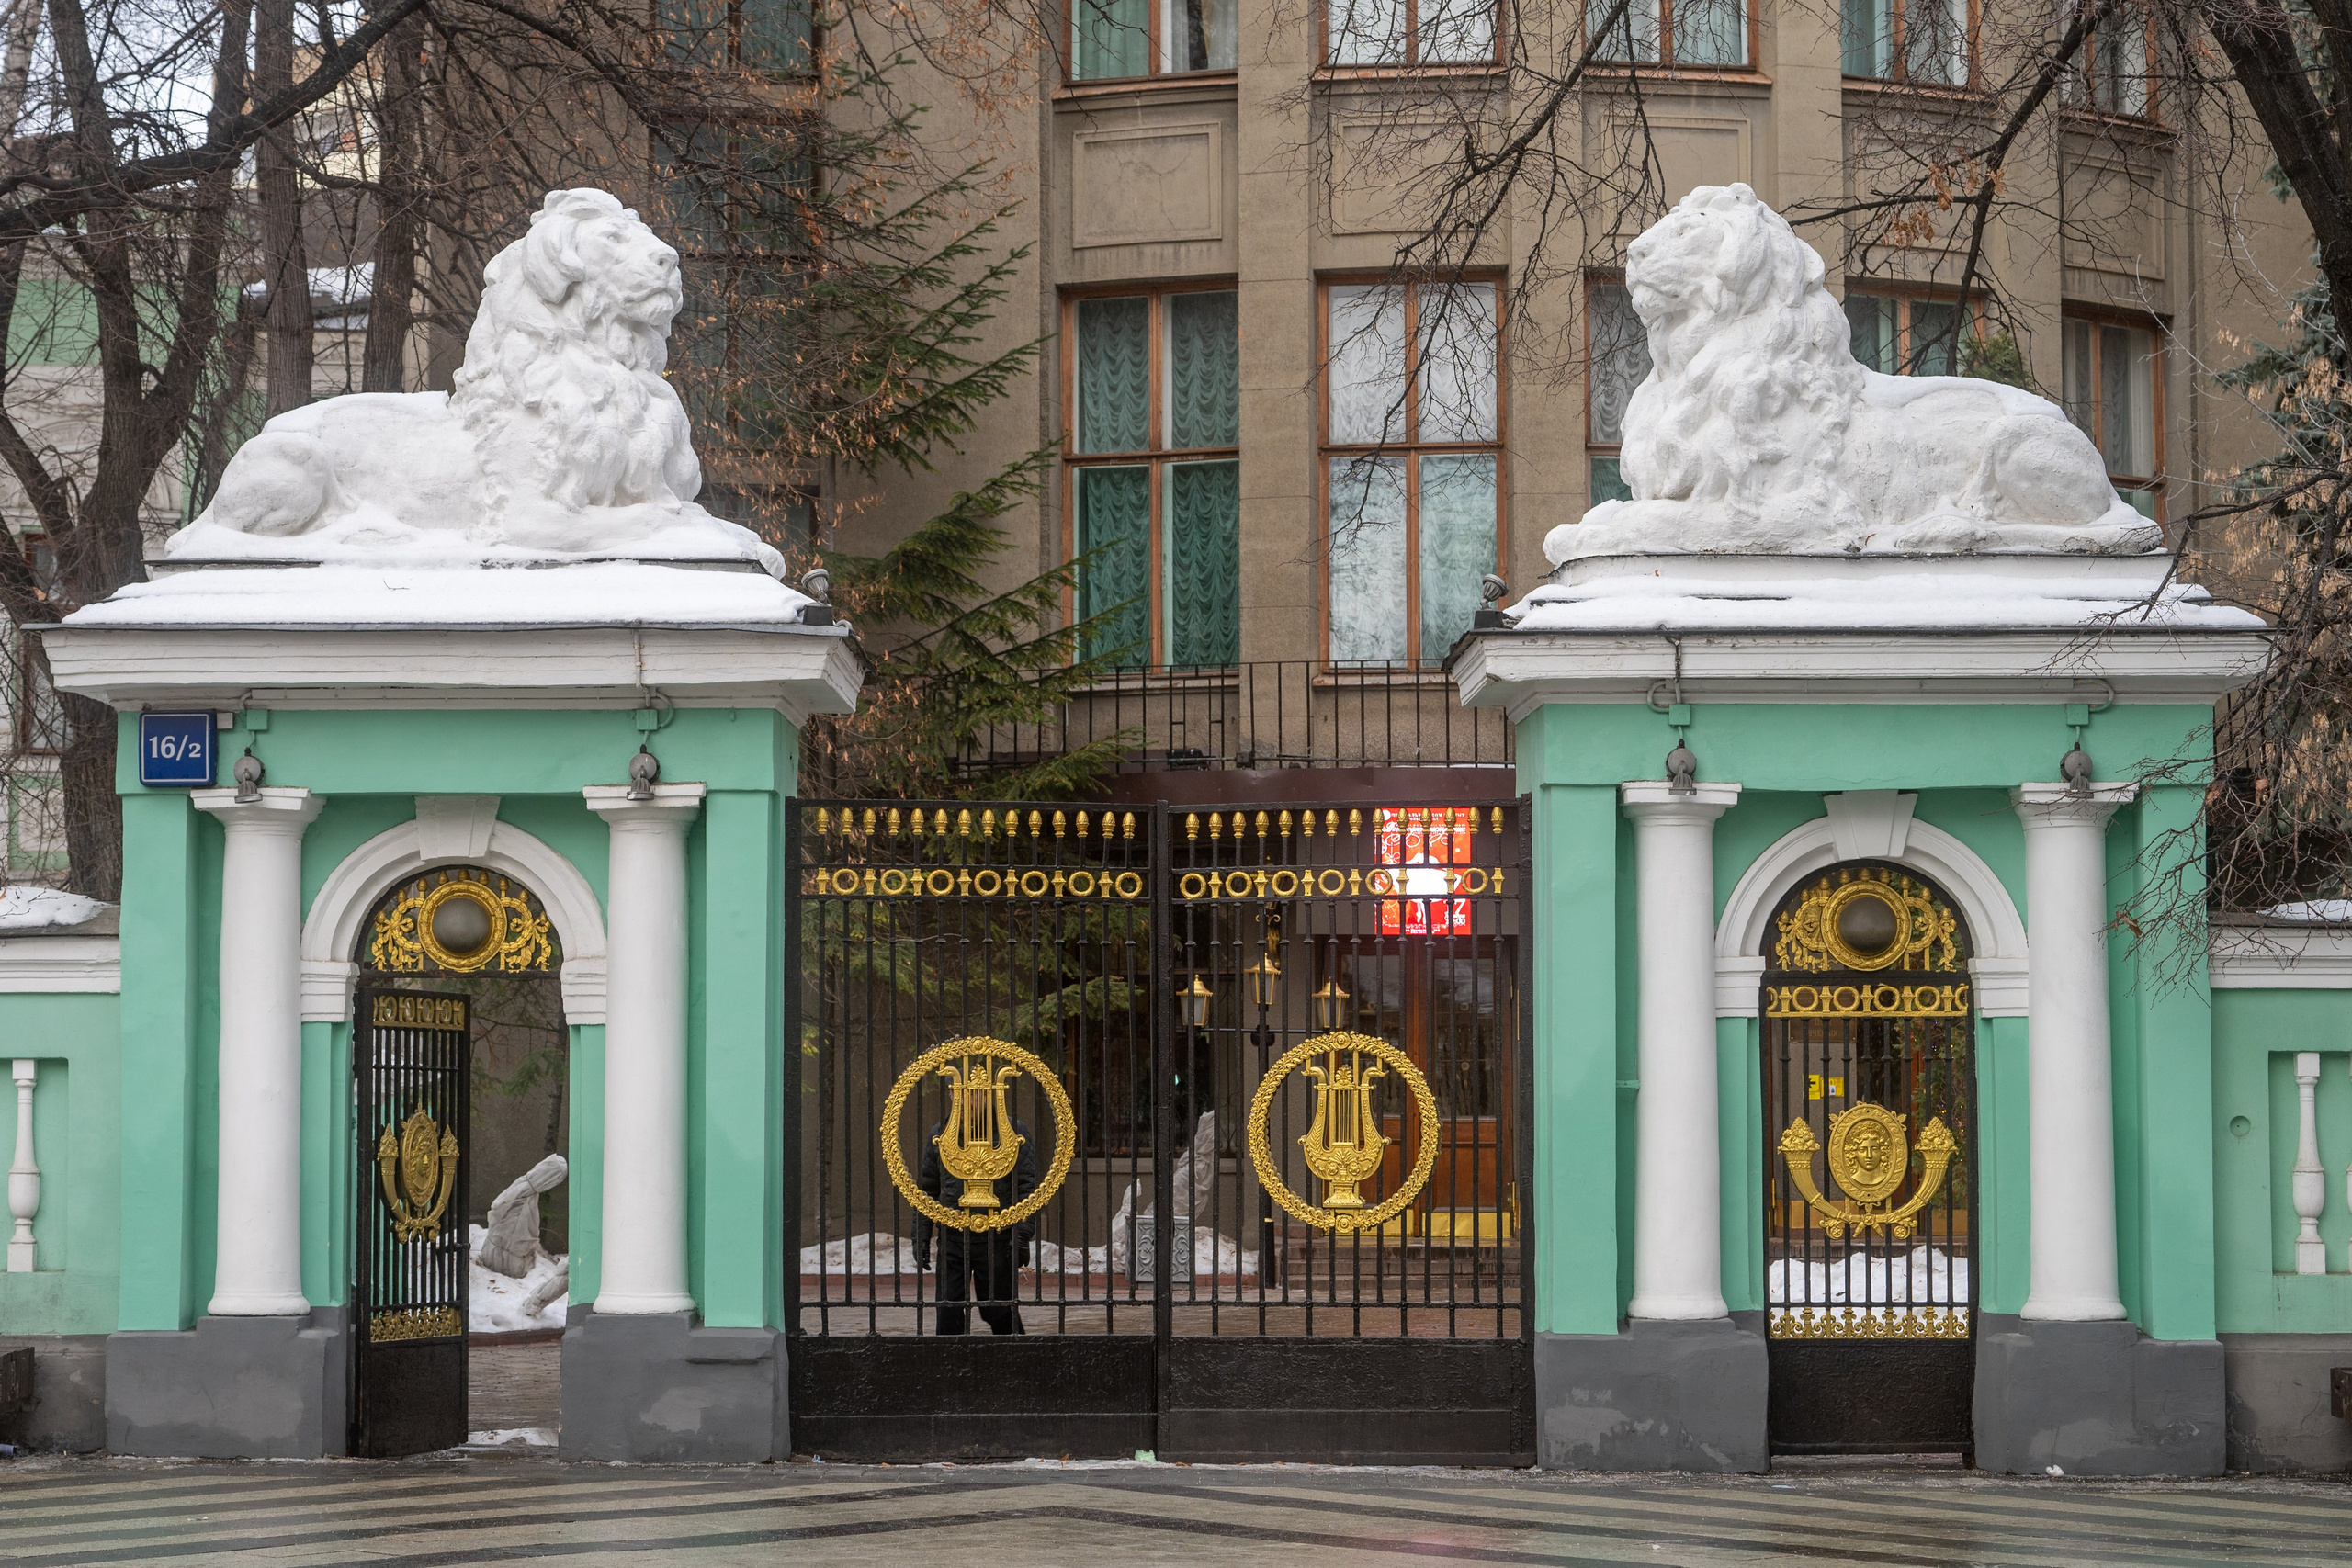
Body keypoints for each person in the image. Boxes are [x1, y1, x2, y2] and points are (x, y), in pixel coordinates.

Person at [911, 1118, 1037, 1335]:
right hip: (953, 1238)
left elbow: (1027, 1188)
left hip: (997, 1237)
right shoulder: (940, 1133)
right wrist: (920, 1236)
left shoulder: (1013, 1130)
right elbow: (927, 1189)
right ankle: (951, 1364)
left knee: (999, 1312)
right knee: (948, 1313)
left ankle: (1013, 1361)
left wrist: (1022, 1234)